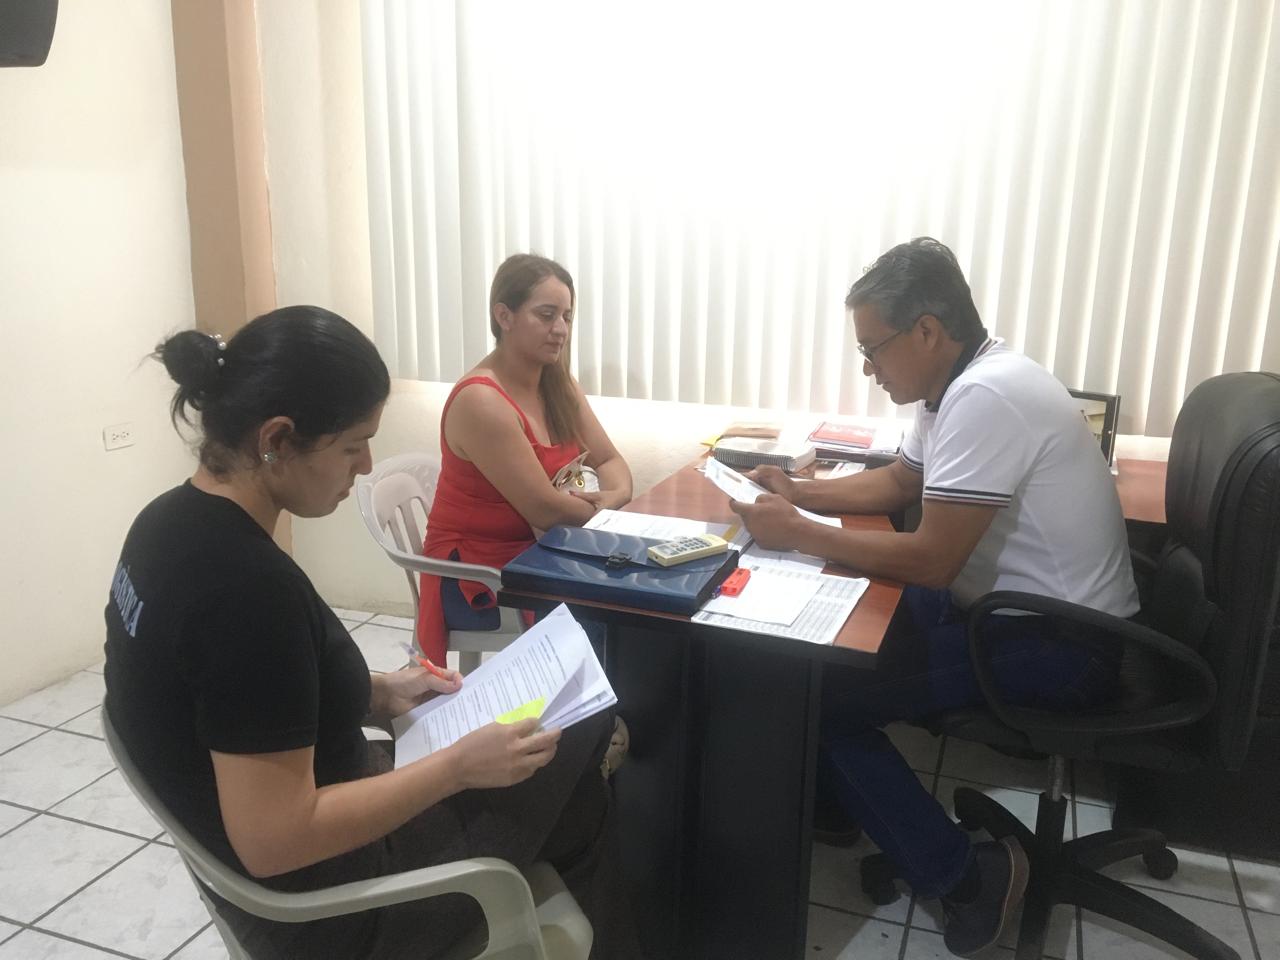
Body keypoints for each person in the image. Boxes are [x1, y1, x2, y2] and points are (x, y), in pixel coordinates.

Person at [104, 306, 639, 960]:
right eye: (353, 444)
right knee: (584, 722)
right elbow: (274, 840)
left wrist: (381, 693)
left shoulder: (162, 525)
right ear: (278, 439)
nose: (365, 466)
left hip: (313, 841)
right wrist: (455, 768)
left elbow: (234, 701)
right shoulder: (247, 592)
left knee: (574, 788)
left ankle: (586, 912)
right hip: (347, 912)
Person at [730, 238, 1138, 957]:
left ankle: (969, 879)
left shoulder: (986, 395)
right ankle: (842, 802)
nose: (868, 368)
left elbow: (932, 559)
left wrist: (797, 530)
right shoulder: (960, 381)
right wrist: (801, 491)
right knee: (826, 656)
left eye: (873, 349)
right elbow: (900, 482)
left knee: (824, 702)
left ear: (925, 330)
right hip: (1010, 610)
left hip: (1064, 643)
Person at [417, 254, 633, 665]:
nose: (561, 330)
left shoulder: (558, 383)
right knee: (612, 610)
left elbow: (610, 460)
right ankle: (584, 704)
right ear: (504, 316)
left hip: (544, 551)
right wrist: (605, 509)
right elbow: (544, 509)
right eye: (546, 315)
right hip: (479, 577)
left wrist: (611, 498)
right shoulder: (481, 400)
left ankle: (606, 701)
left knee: (634, 596)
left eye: (567, 317)